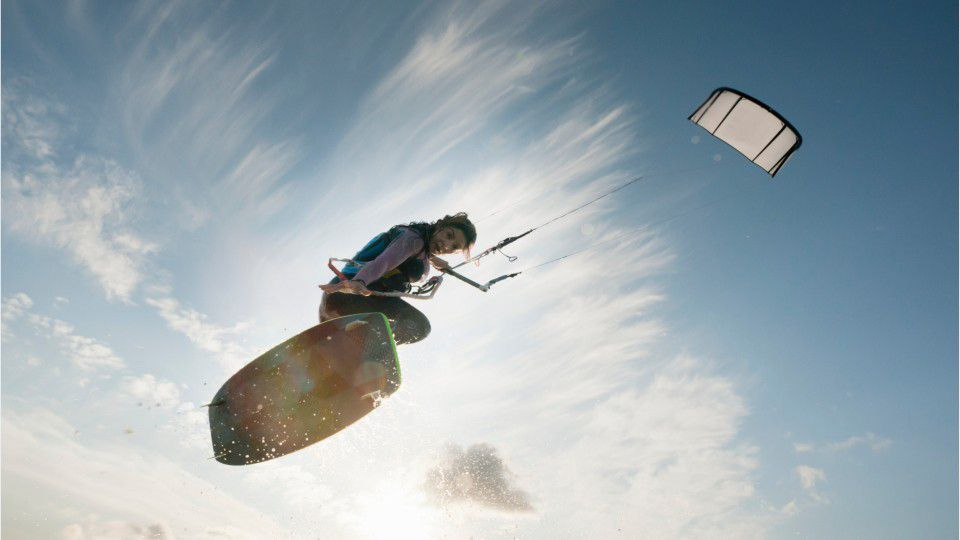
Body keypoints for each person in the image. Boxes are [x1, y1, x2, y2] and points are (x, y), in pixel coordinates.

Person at [319, 212, 477, 345]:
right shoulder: (413, 240)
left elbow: (407, 255)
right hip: (350, 293)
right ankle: (369, 342)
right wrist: (360, 281)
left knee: (415, 326)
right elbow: (384, 261)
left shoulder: (419, 246)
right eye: (449, 235)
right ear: (440, 225)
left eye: (454, 247)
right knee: (418, 326)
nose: (447, 245)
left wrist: (432, 259)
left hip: (341, 301)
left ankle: (364, 346)